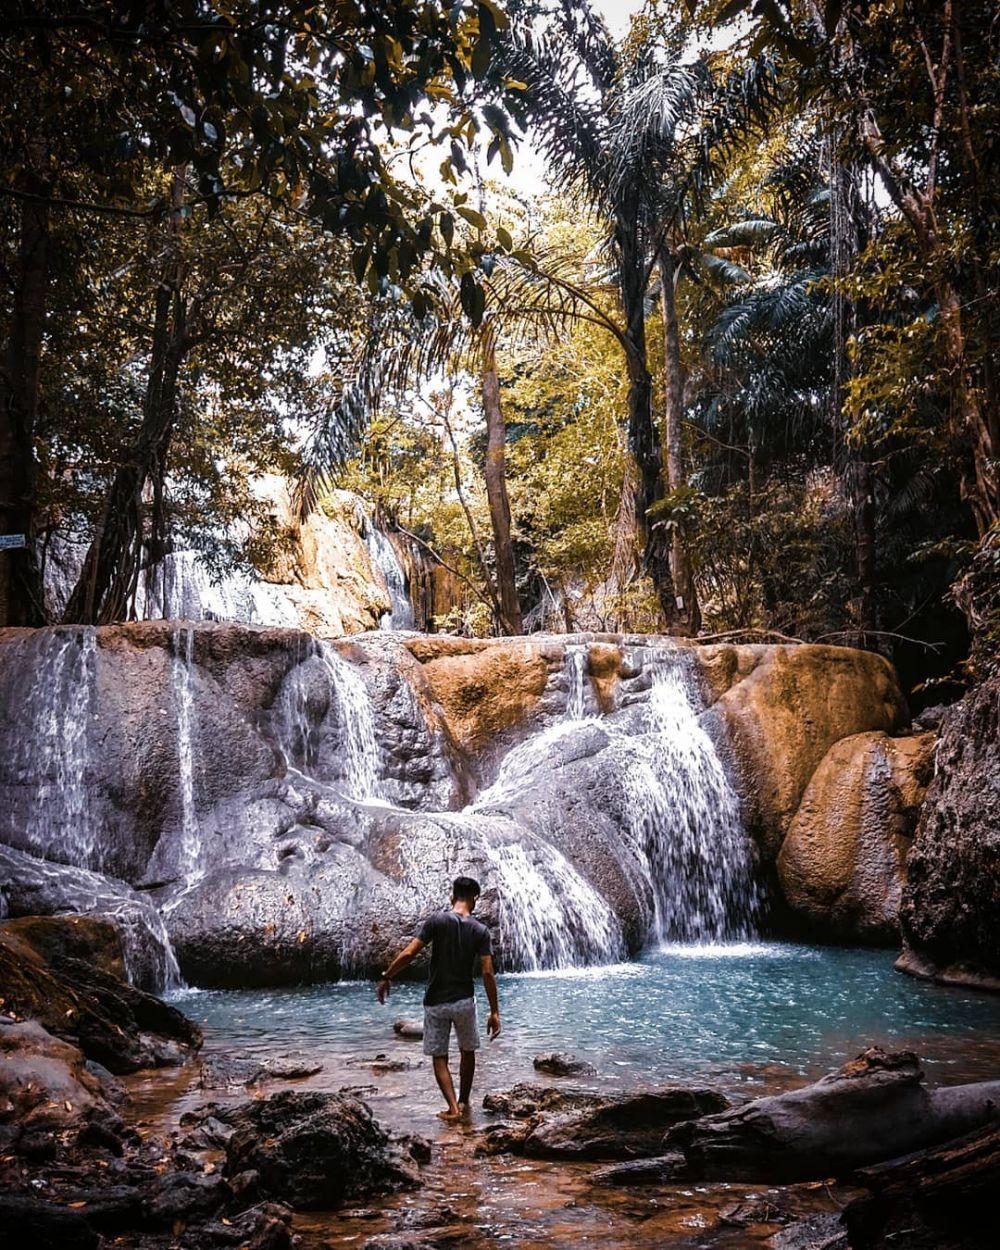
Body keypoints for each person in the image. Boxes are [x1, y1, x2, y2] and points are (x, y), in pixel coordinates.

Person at [376, 876, 501, 1120]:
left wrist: (387, 975)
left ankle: (452, 1108)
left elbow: (410, 952)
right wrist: (494, 1011)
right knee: (467, 1051)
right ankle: (464, 1103)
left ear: (452, 896)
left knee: (439, 1055)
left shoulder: (436, 921)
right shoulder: (480, 931)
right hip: (465, 1000)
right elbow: (487, 972)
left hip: (436, 1001)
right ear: (474, 900)